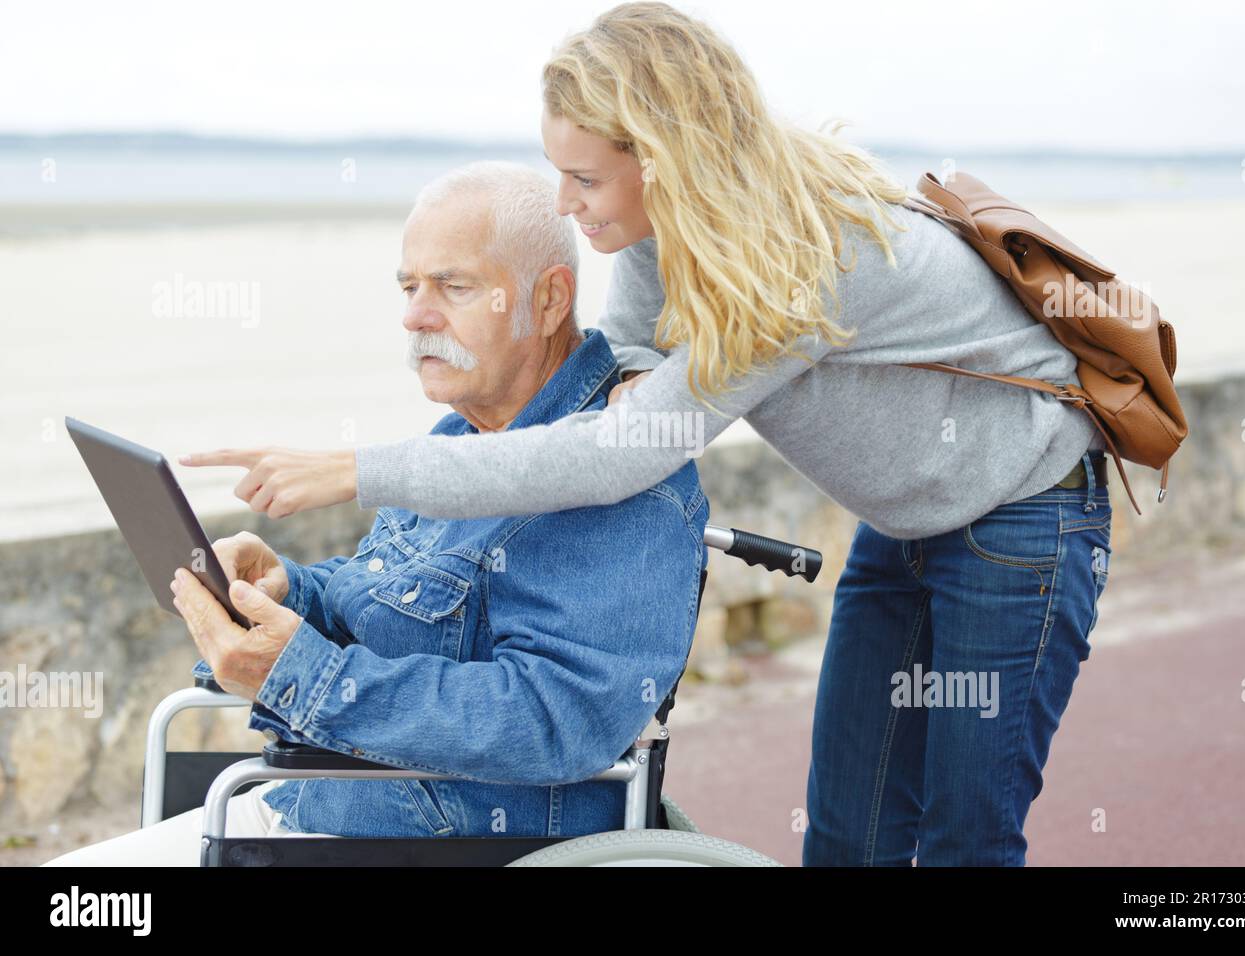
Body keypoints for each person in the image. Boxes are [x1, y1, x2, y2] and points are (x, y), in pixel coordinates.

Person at [183, 2, 1112, 866]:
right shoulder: (661, 237)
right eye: (557, 172)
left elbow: (623, 449)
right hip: (905, 522)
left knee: (965, 837)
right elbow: (619, 377)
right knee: (849, 833)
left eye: (584, 178)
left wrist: (358, 469)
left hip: (1024, 515)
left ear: (665, 158)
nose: (564, 201)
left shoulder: (803, 257)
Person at [42, 160, 708, 865]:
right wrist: (290, 589)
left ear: (547, 302)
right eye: (409, 287)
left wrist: (300, 675)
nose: (416, 316)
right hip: (313, 806)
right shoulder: (463, 438)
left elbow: (553, 720)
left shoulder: (625, 476)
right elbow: (398, 601)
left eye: (453, 286)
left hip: (439, 843)